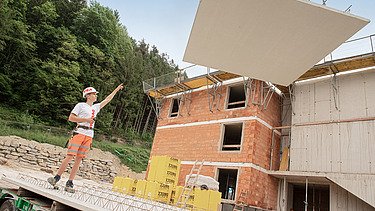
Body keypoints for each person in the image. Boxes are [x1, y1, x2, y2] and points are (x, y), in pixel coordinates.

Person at [47, 84, 124, 193]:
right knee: (70, 156)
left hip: (89, 135)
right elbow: (71, 118)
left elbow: (108, 99)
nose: (96, 96)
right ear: (88, 95)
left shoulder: (96, 107)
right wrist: (86, 120)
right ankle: (56, 178)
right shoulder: (80, 105)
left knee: (79, 159)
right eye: (94, 94)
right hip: (79, 132)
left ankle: (70, 182)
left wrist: (116, 89)